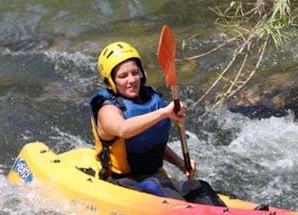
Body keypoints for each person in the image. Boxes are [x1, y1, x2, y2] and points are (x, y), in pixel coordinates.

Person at [89, 41, 226, 206]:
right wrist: (164, 113)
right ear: (110, 81)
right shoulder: (107, 111)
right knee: (158, 185)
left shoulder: (150, 101)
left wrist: (181, 164)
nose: (132, 80)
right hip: (123, 181)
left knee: (198, 187)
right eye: (123, 76)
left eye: (135, 72)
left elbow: (151, 143)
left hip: (154, 177)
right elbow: (123, 129)